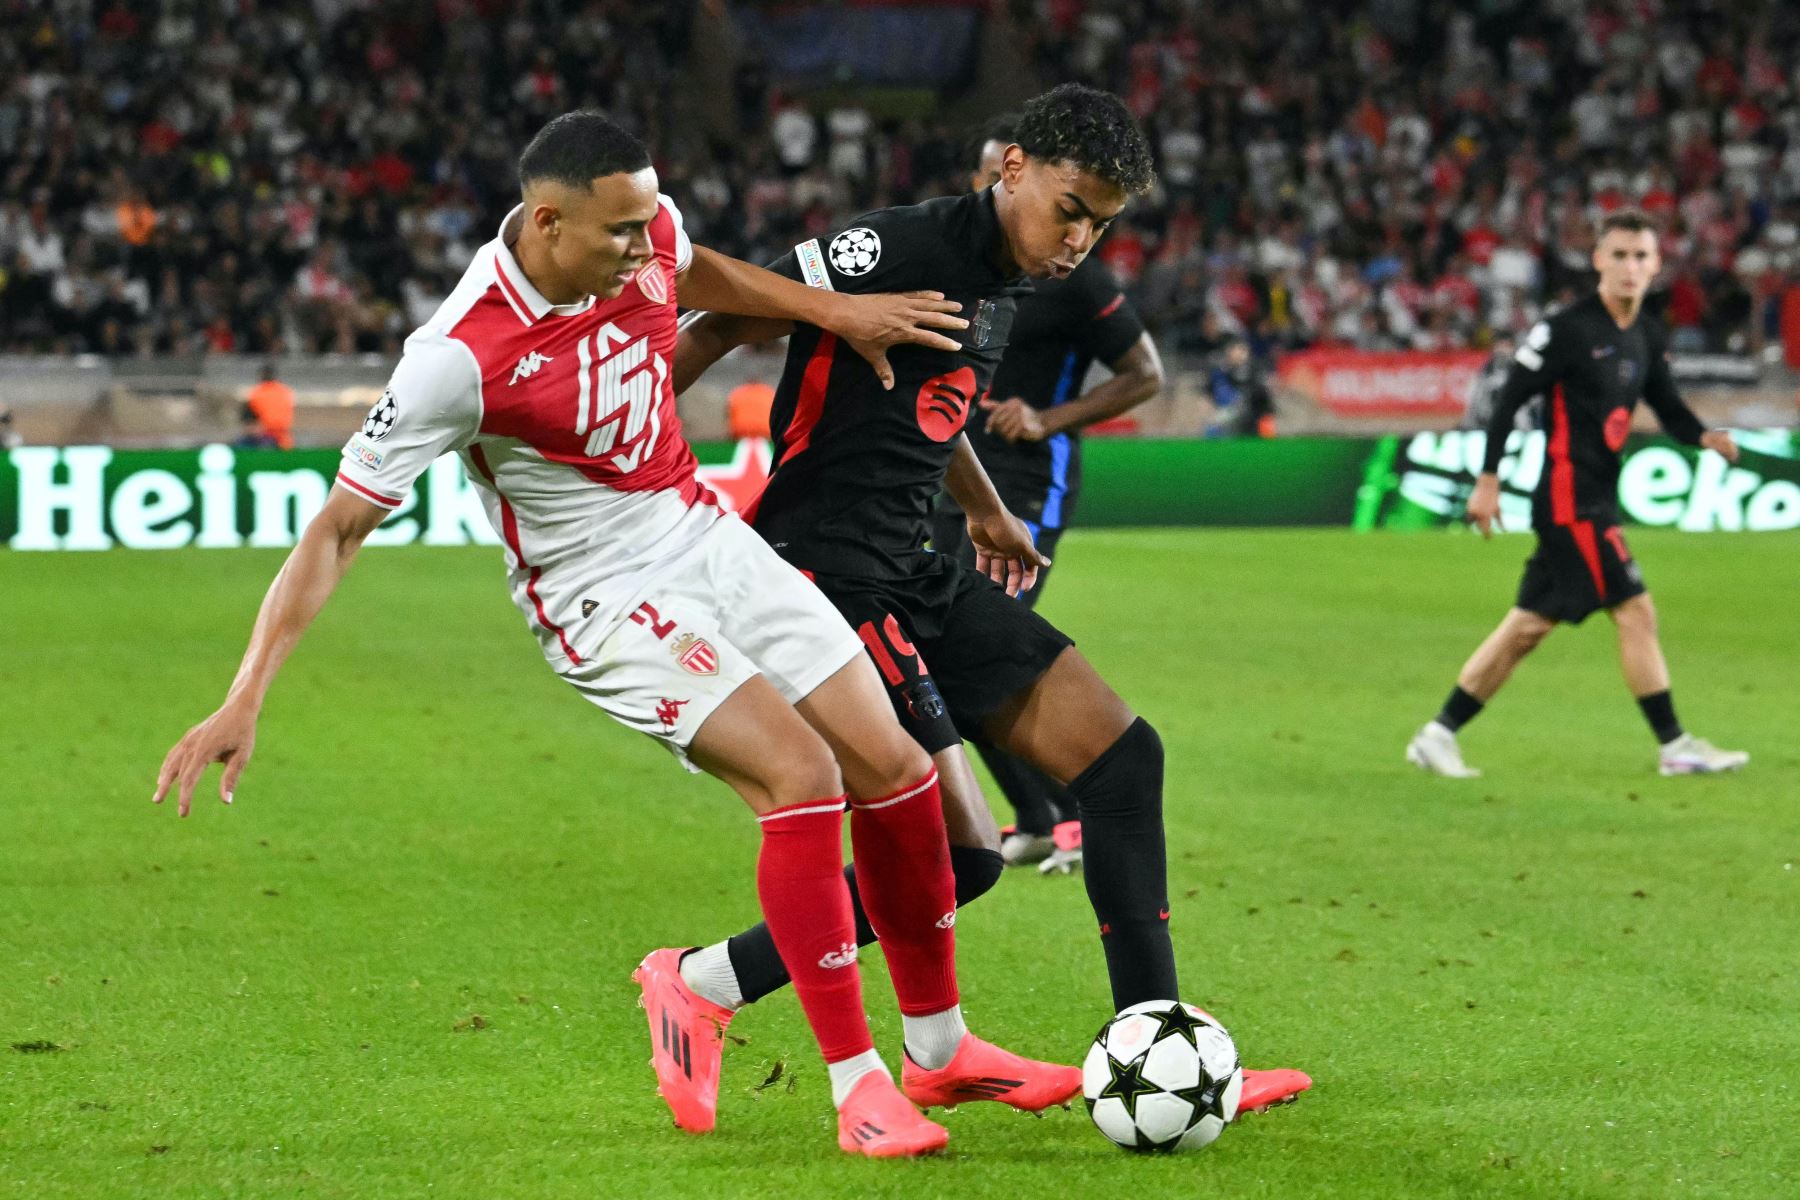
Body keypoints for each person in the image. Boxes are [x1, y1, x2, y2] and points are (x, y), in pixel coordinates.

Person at [150, 110, 1078, 1160]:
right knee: (804, 774)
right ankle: (856, 1088)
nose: (649, 249)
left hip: (699, 532)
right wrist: (246, 690)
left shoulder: (646, 228)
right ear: (547, 224)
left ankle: (939, 1047)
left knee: (899, 770)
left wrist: (836, 311)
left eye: (649, 223)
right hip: (597, 593)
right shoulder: (456, 359)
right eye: (623, 234)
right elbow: (337, 529)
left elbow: (708, 273)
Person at [667, 84, 1310, 1118]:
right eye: (1071, 208)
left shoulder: (1004, 277)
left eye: (1102, 222)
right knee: (959, 853)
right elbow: (716, 317)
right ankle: (700, 985)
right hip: (822, 568)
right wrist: (637, 452)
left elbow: (933, 401)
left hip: (918, 563)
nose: (1080, 239)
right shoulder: (903, 247)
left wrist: (981, 509)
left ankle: (1162, 1048)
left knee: (1115, 762)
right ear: (1013, 168)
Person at [1407, 209, 1749, 779]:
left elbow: (1666, 404)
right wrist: (1488, 480)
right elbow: (1507, 400)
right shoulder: (1566, 329)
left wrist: (1703, 436)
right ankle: (1675, 746)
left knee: (1526, 628)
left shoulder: (1644, 333)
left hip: (1593, 499)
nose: (1630, 267)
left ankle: (1437, 734)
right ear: (1597, 261)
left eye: (1641, 257)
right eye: (1618, 255)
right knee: (1635, 610)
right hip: (1570, 502)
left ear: (1657, 265)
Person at [927, 114, 1164, 870]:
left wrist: (1048, 417)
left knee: (981, 645)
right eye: (992, 177)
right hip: (951, 475)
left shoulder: (1075, 275)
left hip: (1032, 481)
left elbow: (1146, 374)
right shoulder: (962, 264)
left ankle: (1073, 815)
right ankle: (1035, 816)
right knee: (942, 649)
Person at [244, 362, 297, 450]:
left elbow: (250, 422)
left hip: (265, 438)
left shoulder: (257, 393)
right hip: (285, 440)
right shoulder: (285, 391)